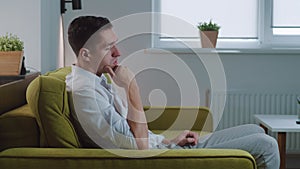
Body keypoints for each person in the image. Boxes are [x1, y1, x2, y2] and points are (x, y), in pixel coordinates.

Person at [65, 16, 280, 169]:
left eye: (116, 44)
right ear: (85, 54)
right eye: (108, 47)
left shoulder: (97, 81)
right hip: (161, 158)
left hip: (165, 148)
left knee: (255, 130)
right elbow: (138, 147)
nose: (118, 52)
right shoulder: (85, 94)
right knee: (267, 145)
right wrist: (132, 88)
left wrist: (169, 141)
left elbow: (132, 131)